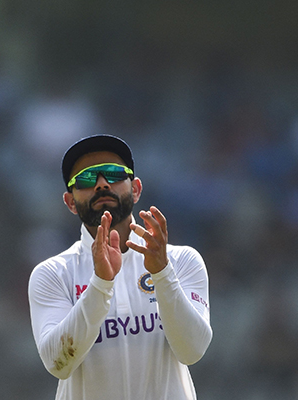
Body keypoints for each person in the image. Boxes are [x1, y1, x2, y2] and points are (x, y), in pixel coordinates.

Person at [28, 134, 213, 400]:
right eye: (86, 179)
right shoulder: (53, 274)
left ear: (135, 189)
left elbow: (192, 351)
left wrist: (162, 273)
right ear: (70, 202)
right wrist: (100, 284)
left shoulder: (182, 261)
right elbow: (58, 364)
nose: (102, 184)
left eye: (114, 174)